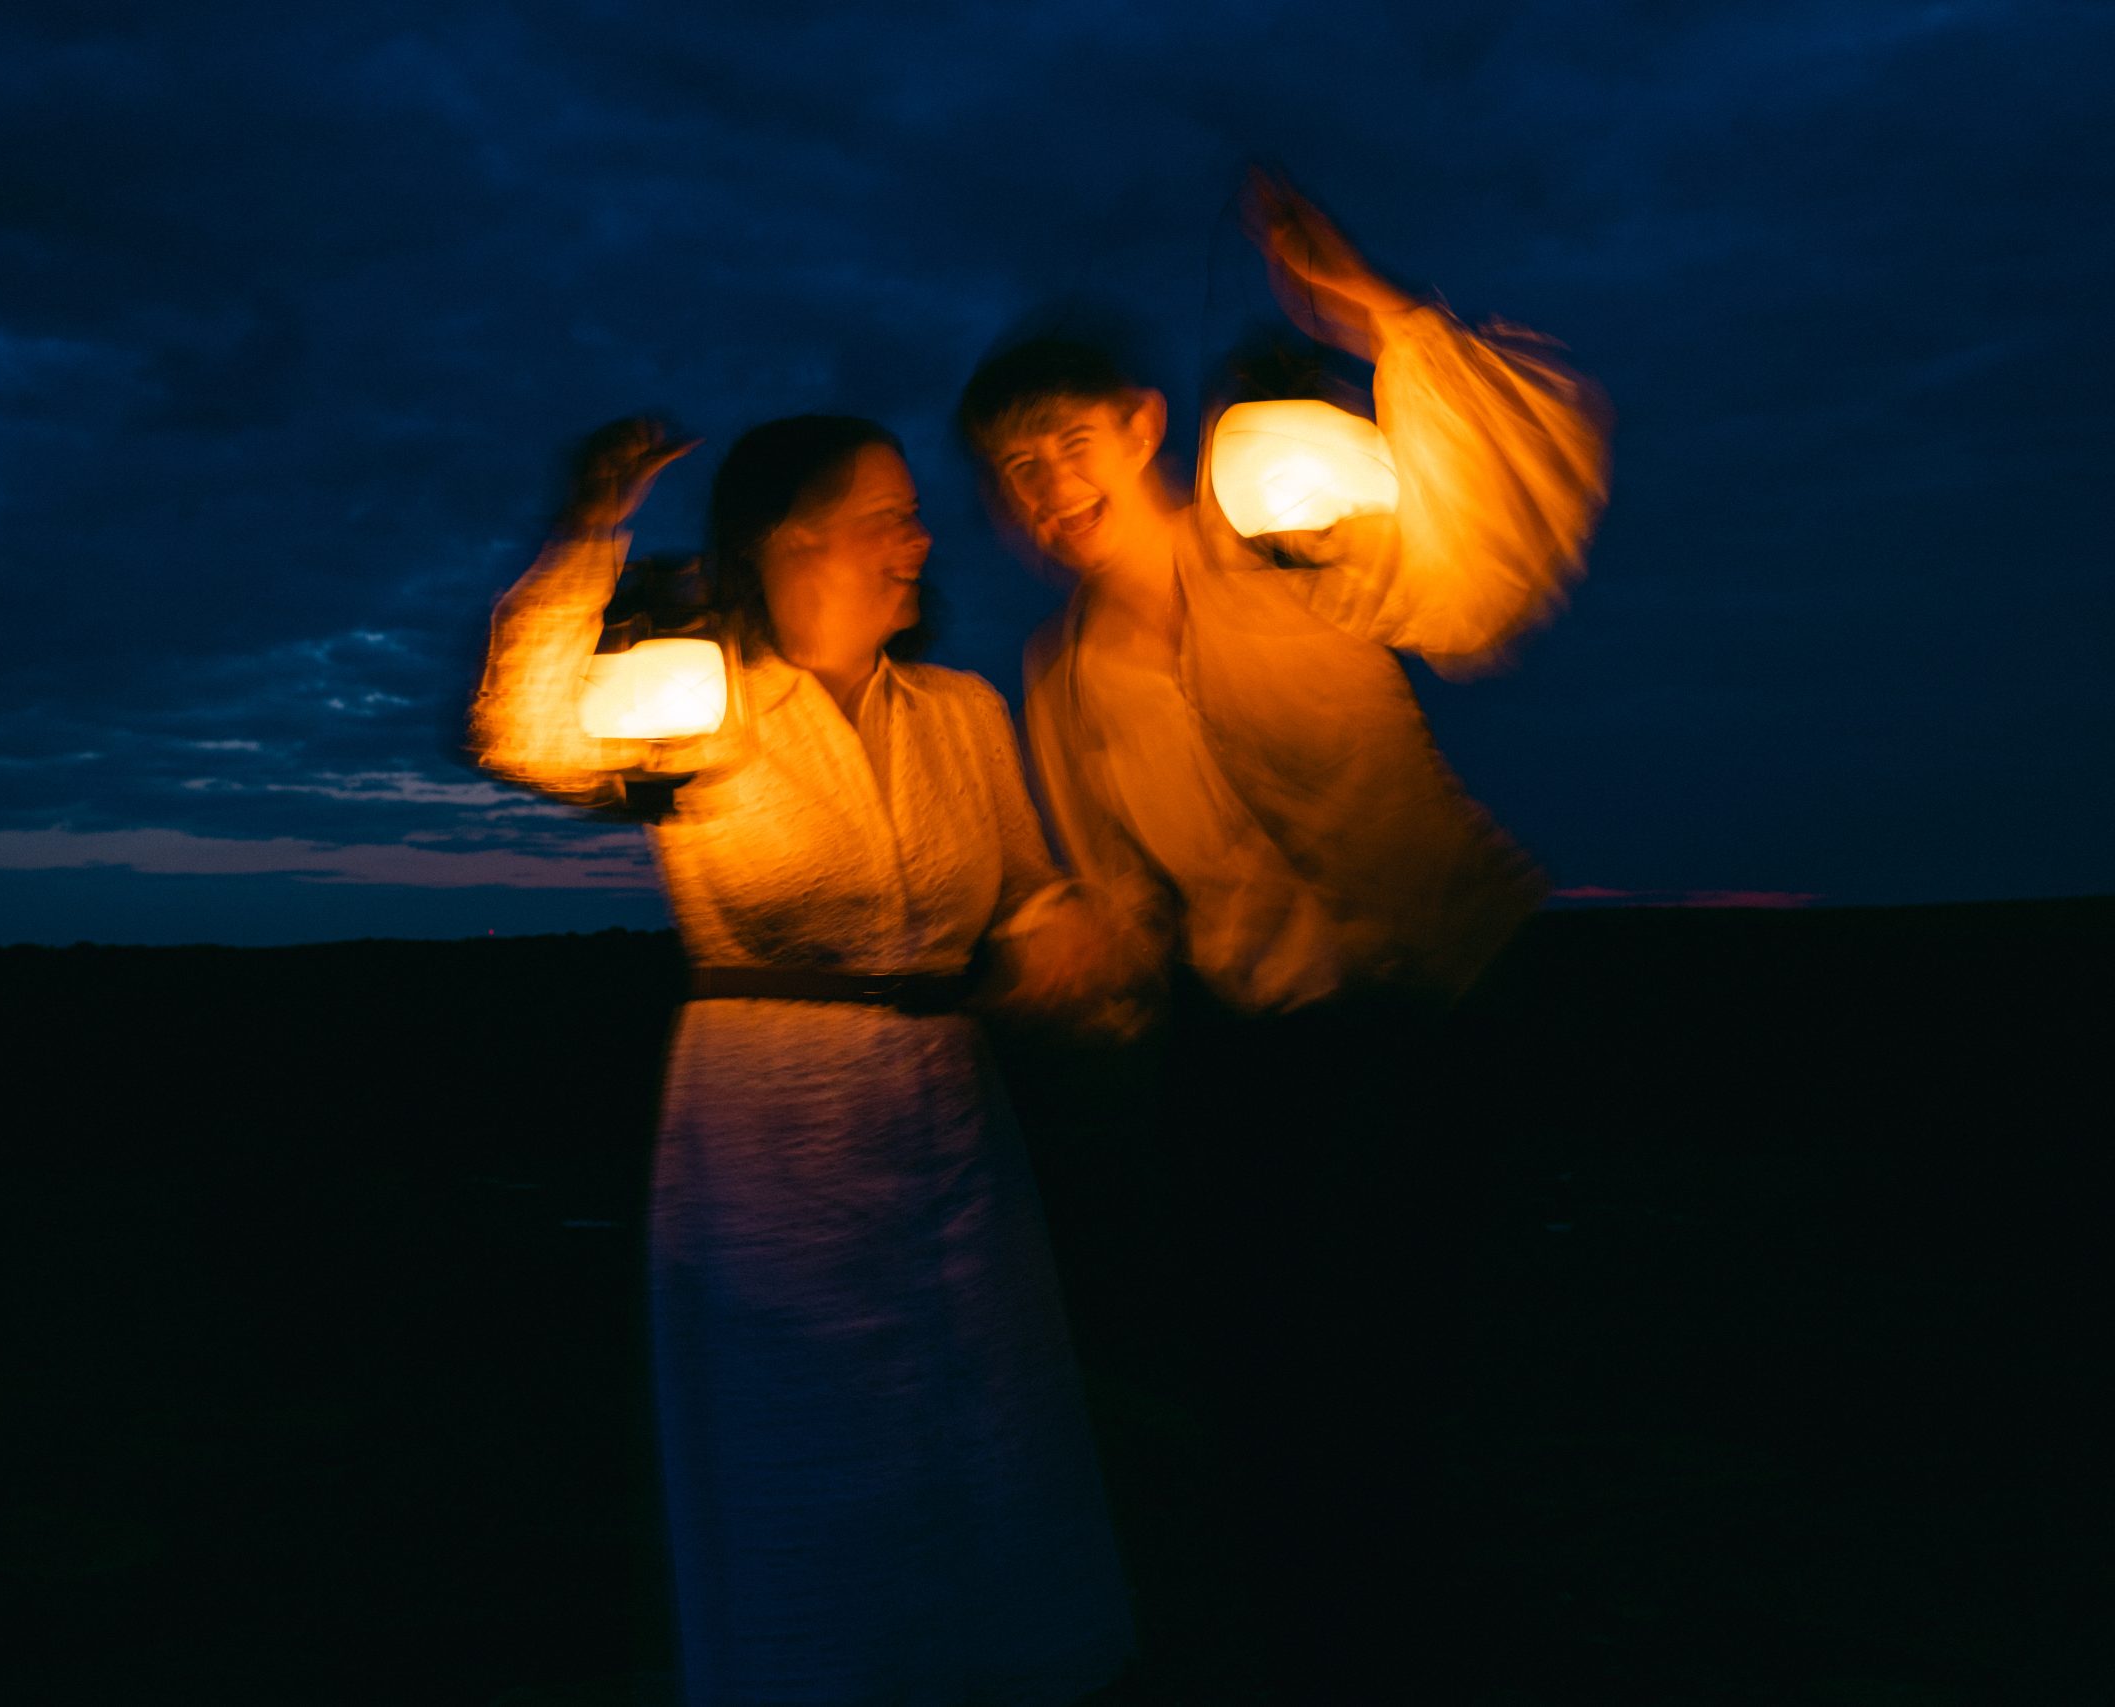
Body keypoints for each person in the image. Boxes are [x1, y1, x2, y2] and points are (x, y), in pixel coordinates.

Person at [957, 173, 1614, 1699]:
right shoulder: (1061, 674)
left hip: (1435, 1010)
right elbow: (1128, 899)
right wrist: (1056, 965)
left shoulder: (1287, 521)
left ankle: (1476, 1641)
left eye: (1063, 444)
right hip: (1252, 1062)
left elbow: (1477, 567)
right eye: (1011, 474)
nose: (1045, 490)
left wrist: (1378, 315)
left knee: (1451, 1368)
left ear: (1140, 424)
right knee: (1288, 1391)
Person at [469, 415, 1134, 1707]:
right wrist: (589, 531)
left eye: (915, 516)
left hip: (952, 1130)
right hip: (771, 1135)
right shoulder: (695, 703)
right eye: (889, 516)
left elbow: (1025, 888)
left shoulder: (960, 713)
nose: (921, 540)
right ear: (791, 541)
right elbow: (523, 732)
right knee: (808, 1442)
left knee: (981, 1423)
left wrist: (1076, 935)